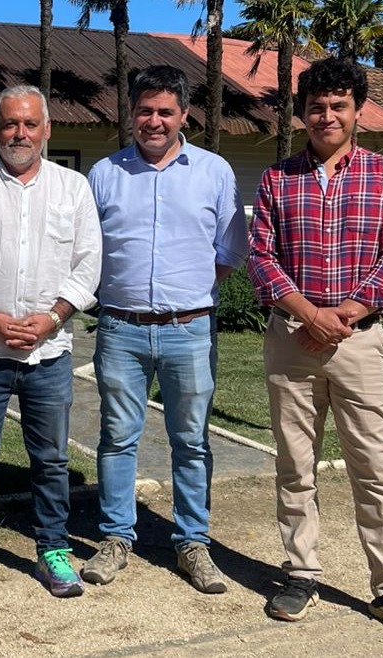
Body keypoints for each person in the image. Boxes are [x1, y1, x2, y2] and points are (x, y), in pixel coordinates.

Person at [247, 57, 383, 640]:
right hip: (291, 341)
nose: (325, 115)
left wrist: (347, 314)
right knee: (294, 467)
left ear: (357, 111)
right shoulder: (279, 180)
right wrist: (308, 314)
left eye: (338, 105)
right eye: (316, 106)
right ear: (301, 111)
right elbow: (261, 257)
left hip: (359, 343)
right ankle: (300, 572)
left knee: (375, 468)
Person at [83, 65, 247, 593]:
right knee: (116, 436)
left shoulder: (215, 172)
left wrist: (190, 290)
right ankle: (115, 538)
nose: (154, 121)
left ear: (183, 115)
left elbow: (229, 249)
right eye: (145, 110)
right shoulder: (104, 174)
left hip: (189, 330)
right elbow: (88, 251)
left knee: (191, 440)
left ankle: (192, 543)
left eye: (165, 111)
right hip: (121, 328)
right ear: (131, 113)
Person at [0, 86, 101, 599]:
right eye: (10, 124)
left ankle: (54, 549)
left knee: (51, 459)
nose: (20, 134)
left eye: (30, 124)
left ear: (47, 130)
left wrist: (53, 318)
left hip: (48, 352)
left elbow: (89, 262)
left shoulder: (73, 188)